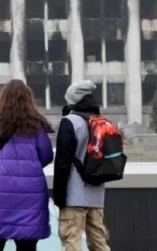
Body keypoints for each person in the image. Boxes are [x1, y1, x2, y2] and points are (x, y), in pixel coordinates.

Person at [0, 79, 54, 251]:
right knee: (27, 243)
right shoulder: (36, 125)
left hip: (1, 189)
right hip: (30, 191)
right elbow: (46, 156)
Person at [53, 80, 111, 251]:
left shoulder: (70, 122)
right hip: (97, 194)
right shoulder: (102, 123)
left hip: (74, 194)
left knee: (71, 240)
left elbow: (62, 162)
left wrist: (59, 195)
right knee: (99, 242)